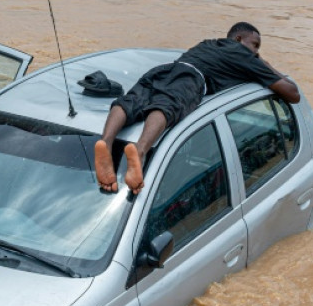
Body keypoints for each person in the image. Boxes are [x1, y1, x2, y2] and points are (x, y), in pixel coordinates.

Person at [94, 22, 300, 194]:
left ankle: (106, 142)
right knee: (167, 105)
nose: (256, 52)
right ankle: (140, 151)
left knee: (131, 101)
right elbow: (292, 93)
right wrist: (265, 64)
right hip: (191, 79)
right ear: (238, 39)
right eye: (255, 45)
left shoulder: (208, 44)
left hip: (166, 69)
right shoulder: (244, 56)